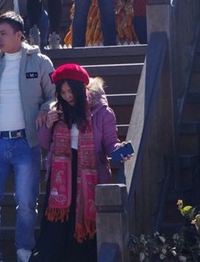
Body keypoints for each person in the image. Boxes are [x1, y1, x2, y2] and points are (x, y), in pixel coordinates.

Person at [0, 11, 55, 262]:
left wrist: (46, 108)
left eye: (3, 34)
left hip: (27, 142)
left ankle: (24, 247)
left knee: (27, 202)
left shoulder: (40, 62)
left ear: (19, 35)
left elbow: (54, 95)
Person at [32, 64, 132, 261]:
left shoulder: (102, 112)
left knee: (85, 224)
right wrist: (48, 124)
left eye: (70, 91)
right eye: (62, 92)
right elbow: (44, 143)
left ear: (80, 88)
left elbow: (110, 144)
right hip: (62, 175)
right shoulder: (58, 111)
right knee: (58, 225)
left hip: (90, 174)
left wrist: (120, 151)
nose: (67, 96)